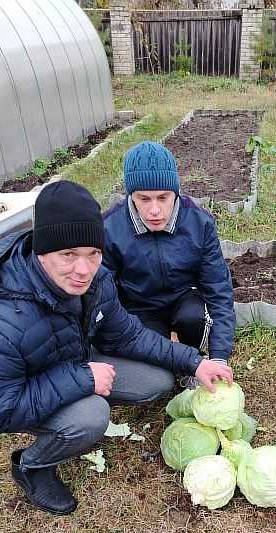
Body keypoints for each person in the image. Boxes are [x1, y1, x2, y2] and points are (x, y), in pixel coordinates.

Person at [0, 180, 232, 515]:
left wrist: (193, 362)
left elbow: (127, 334)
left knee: (157, 381)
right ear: (42, 251)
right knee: (91, 416)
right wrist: (82, 381)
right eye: (68, 254)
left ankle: (86, 391)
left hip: (71, 361)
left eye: (93, 254)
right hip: (20, 389)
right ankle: (32, 465)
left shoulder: (95, 281)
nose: (83, 270)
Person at [101, 141, 235, 385]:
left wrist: (220, 357)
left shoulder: (199, 222)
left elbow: (219, 290)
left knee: (193, 318)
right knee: (157, 368)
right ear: (131, 196)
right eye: (144, 199)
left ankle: (193, 360)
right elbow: (102, 294)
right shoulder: (110, 228)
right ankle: (177, 364)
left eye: (163, 198)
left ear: (176, 192)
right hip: (139, 306)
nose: (154, 209)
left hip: (185, 298)